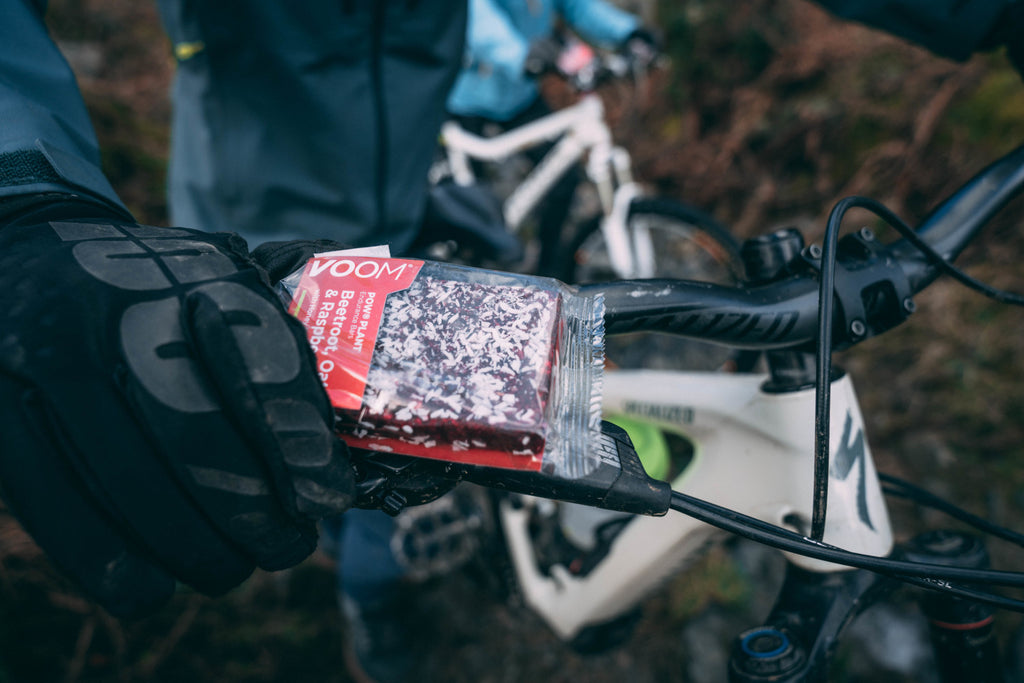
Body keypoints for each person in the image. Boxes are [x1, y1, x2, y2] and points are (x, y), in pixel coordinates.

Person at [0, 0, 466, 624]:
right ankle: (359, 601)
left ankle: (367, 580)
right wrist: (21, 188)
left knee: (402, 452)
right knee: (302, 465)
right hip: (236, 255)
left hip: (393, 228)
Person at [442, 0, 659, 276]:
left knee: (564, 178)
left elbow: (579, 7)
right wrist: (519, 54)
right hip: (466, 97)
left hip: (519, 96)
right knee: (470, 202)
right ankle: (464, 273)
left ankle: (548, 270)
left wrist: (629, 32)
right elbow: (477, 14)